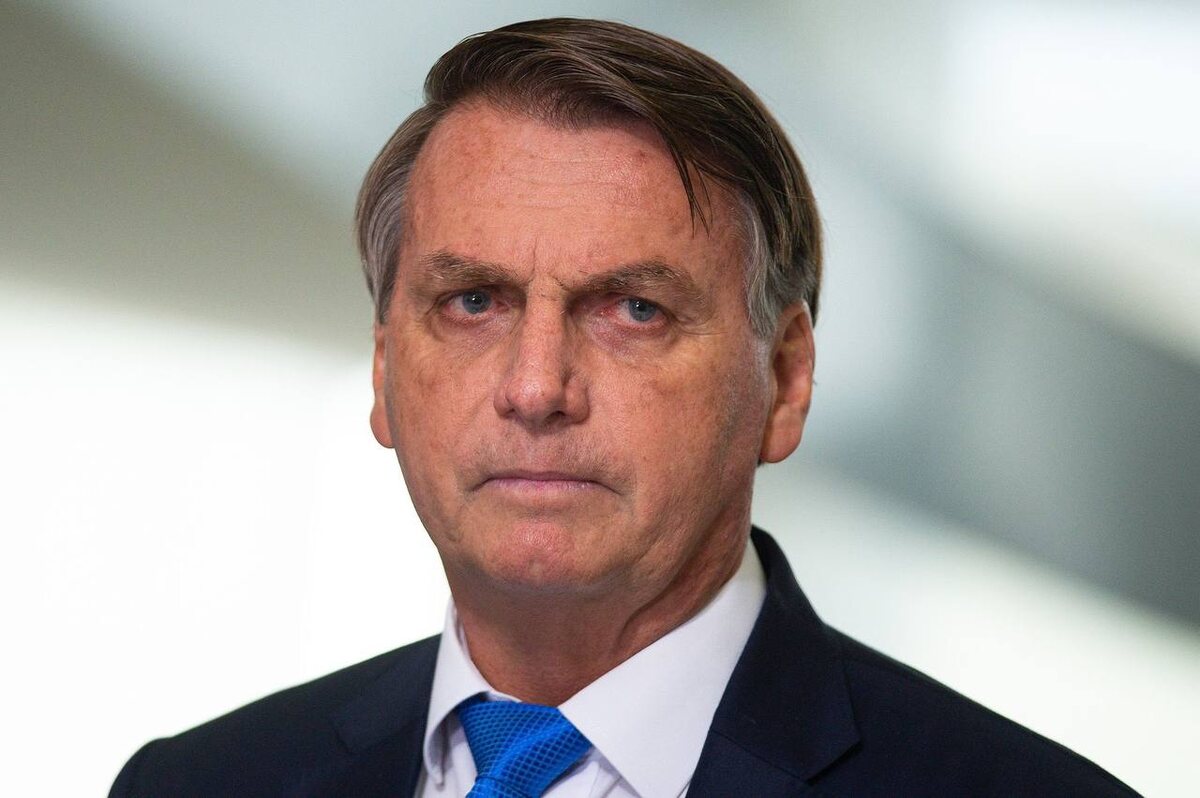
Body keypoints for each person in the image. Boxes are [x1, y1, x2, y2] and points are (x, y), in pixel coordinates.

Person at [110, 17, 1136, 798]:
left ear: (785, 382)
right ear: (384, 372)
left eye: (634, 310)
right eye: (473, 302)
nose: (535, 389)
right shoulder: (197, 785)